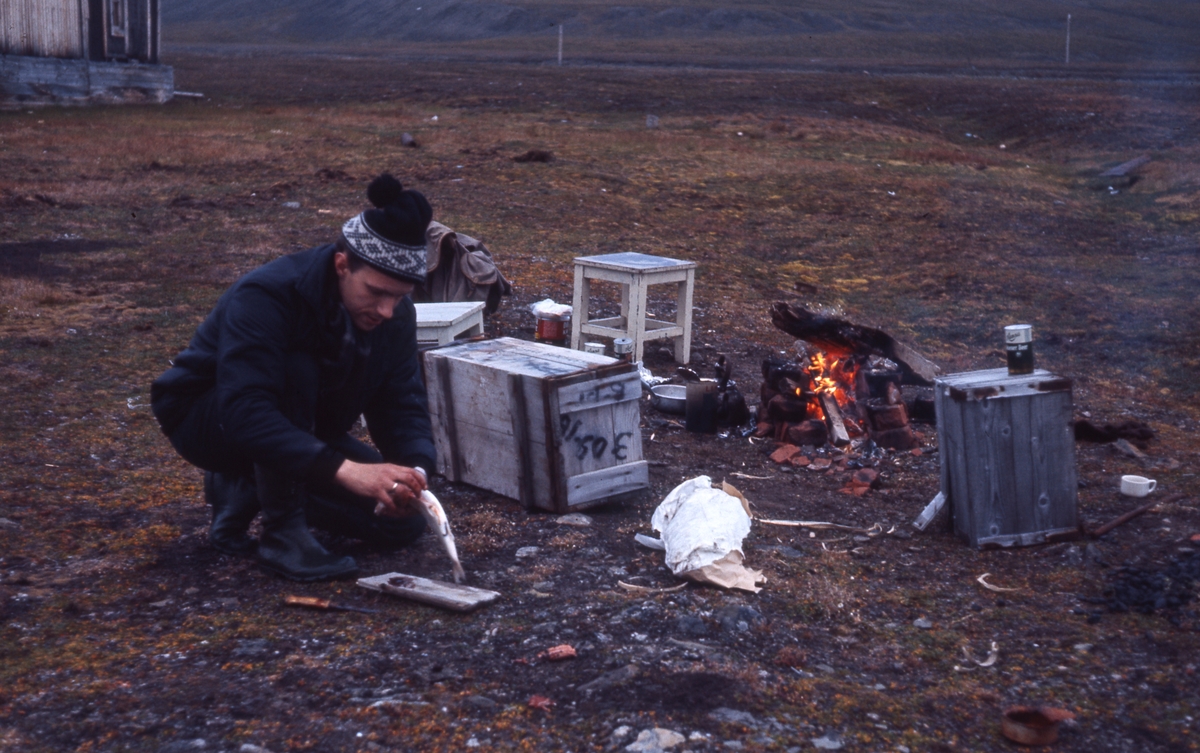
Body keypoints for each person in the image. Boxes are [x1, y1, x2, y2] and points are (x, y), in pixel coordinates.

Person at [151, 174, 437, 582]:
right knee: (295, 367)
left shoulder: (393, 317)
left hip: (303, 428)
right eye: (376, 292)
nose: (387, 309)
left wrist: (415, 476)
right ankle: (282, 533)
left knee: (401, 525)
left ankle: (245, 486)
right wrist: (349, 472)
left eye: (399, 296)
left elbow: (402, 404)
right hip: (208, 420)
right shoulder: (268, 295)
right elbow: (245, 412)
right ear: (342, 265)